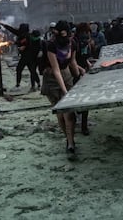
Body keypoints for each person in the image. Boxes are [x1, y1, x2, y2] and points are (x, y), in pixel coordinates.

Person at [40, 20, 80, 160]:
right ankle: (68, 139)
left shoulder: (73, 43)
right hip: (51, 78)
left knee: (69, 113)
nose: (65, 38)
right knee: (60, 111)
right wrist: (65, 90)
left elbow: (73, 62)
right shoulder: (51, 45)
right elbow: (56, 69)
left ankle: (70, 142)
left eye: (67, 35)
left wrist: (79, 76)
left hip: (67, 74)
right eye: (62, 34)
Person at [72, 22, 93, 135]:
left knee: (85, 100)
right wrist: (79, 69)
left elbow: (85, 57)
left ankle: (84, 126)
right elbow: (72, 60)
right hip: (74, 73)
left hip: (84, 72)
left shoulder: (86, 43)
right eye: (84, 32)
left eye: (87, 32)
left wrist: (88, 64)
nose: (86, 35)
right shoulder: (74, 43)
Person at [0, 23, 31, 90]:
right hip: (25, 55)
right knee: (31, 70)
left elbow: (26, 43)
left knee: (21, 69)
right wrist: (4, 25)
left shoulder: (27, 36)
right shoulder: (21, 34)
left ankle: (19, 85)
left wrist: (22, 46)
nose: (19, 29)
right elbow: (12, 30)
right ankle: (35, 85)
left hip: (27, 56)